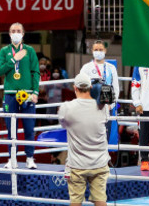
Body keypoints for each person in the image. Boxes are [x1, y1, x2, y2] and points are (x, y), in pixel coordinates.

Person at [58, 73, 110, 206]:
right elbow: (106, 120)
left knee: (75, 201)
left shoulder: (66, 108)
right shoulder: (103, 107)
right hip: (99, 162)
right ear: (90, 87)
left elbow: (63, 124)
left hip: (77, 164)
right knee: (100, 200)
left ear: (75, 88)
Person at [0, 22, 40, 169]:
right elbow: (0, 70)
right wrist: (14, 59)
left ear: (23, 33)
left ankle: (29, 158)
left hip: (27, 94)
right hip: (10, 95)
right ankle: (12, 158)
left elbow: (36, 72)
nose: (15, 33)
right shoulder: (4, 51)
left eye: (18, 31)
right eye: (13, 31)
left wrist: (35, 92)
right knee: (11, 129)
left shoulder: (30, 50)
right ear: (9, 34)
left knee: (29, 128)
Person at [79, 40, 119, 142]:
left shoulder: (111, 68)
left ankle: (104, 157)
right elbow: (80, 88)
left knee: (105, 138)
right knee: (90, 138)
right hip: (91, 108)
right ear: (92, 51)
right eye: (96, 50)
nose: (98, 51)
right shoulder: (86, 68)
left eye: (100, 49)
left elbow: (116, 88)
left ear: (105, 50)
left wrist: (111, 105)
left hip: (107, 107)